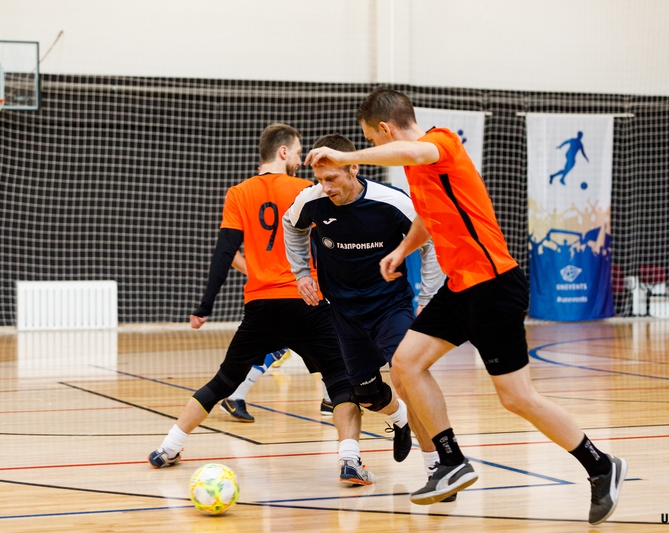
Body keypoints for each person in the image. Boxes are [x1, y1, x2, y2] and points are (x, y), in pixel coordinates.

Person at [304, 89, 627, 524]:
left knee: (517, 397)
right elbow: (429, 217)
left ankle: (601, 465)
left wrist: (345, 156)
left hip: (493, 285)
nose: (375, 148)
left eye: (373, 141)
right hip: (460, 287)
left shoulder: (441, 142)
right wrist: (401, 251)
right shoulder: (419, 170)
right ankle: (451, 460)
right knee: (406, 365)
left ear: (384, 129)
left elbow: (412, 150)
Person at [149, 123, 373, 486]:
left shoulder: (238, 193)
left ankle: (168, 448)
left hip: (261, 305)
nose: (301, 159)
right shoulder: (307, 190)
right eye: (298, 152)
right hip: (307, 301)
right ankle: (349, 460)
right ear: (283, 152)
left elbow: (225, 253)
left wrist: (205, 305)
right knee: (340, 380)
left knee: (223, 381)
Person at [283, 132, 452, 494]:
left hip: (390, 307)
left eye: (332, 178)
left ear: (354, 168)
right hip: (343, 313)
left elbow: (431, 239)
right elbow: (291, 227)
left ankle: (437, 467)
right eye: (320, 179)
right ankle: (400, 420)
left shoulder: (391, 202)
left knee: (408, 379)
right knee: (365, 394)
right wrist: (301, 273)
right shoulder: (311, 200)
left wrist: (428, 296)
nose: (326, 187)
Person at [219, 252, 333, 422]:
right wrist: (257, 273)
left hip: (304, 286)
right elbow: (229, 251)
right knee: (323, 341)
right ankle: (234, 395)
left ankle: (330, 400)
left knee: (315, 342)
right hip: (287, 290)